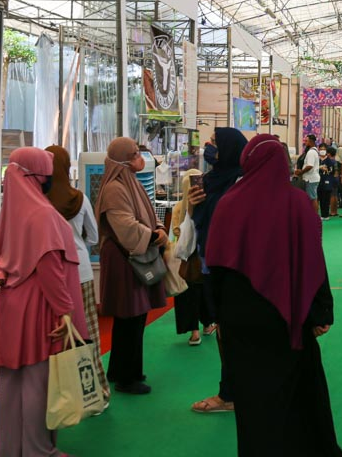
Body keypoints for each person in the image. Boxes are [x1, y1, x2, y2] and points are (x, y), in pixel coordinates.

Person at [205, 134, 342, 457]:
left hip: (241, 319)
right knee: (293, 394)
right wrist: (319, 313)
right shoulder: (297, 203)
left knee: (253, 398)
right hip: (288, 319)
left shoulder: (229, 203)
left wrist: (216, 316)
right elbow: (314, 264)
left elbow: (216, 268)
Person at [0, 147, 89, 457]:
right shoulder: (43, 214)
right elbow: (50, 268)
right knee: (37, 380)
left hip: (12, 305)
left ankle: (10, 450)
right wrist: (65, 310)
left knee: (12, 378)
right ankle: (39, 453)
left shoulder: (12, 212)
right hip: (39, 305)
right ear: (37, 177)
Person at [97, 137, 168, 395]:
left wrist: (157, 229)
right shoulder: (115, 188)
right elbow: (125, 225)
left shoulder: (130, 183)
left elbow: (147, 213)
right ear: (125, 159)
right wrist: (152, 236)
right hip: (123, 258)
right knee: (130, 315)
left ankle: (121, 370)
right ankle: (127, 377)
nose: (140, 158)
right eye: (136, 154)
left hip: (130, 255)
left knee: (133, 316)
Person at [45, 145, 110, 405]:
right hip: (80, 271)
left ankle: (59, 395)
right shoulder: (80, 198)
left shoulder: (39, 200)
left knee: (53, 335)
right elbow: (94, 236)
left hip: (49, 275)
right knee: (87, 333)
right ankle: (98, 392)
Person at [190, 127, 248, 414]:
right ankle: (233, 391)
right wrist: (193, 206)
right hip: (210, 261)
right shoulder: (211, 180)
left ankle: (231, 394)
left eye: (215, 143)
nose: (209, 148)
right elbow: (202, 221)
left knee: (233, 331)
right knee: (226, 328)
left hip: (230, 266)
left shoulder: (240, 181)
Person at [170, 169, 211, 347]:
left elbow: (176, 231)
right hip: (203, 258)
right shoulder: (209, 204)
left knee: (190, 294)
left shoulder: (179, 207)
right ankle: (207, 325)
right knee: (204, 293)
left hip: (188, 260)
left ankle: (195, 332)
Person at [294, 134, 320, 212]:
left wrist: (301, 172)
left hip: (311, 179)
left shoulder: (311, 152)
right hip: (311, 178)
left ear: (310, 141)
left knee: (312, 198)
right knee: (312, 197)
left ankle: (314, 216)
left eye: (306, 141)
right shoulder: (313, 151)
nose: (305, 142)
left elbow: (310, 166)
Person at [318, 147, 340, 220]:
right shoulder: (334, 161)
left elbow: (334, 172)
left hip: (328, 181)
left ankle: (326, 214)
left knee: (327, 198)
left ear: (328, 153)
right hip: (329, 181)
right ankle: (331, 212)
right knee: (330, 196)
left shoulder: (330, 161)